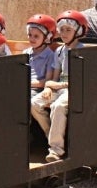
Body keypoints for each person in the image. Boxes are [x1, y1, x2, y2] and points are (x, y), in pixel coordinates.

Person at [31, 10, 87, 163]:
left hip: (74, 89)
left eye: (68, 30)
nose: (64, 33)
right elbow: (54, 77)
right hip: (60, 87)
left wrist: (58, 84)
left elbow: (81, 80)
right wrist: (49, 88)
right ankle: (52, 135)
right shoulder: (59, 51)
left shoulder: (83, 50)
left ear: (78, 31)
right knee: (35, 103)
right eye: (61, 30)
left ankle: (56, 149)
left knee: (58, 106)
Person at [23, 14, 57, 97]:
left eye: (36, 36)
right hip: (23, 87)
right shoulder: (25, 53)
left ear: (47, 37)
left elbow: (47, 81)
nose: (32, 39)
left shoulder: (50, 56)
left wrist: (27, 83)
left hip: (37, 90)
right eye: (30, 35)